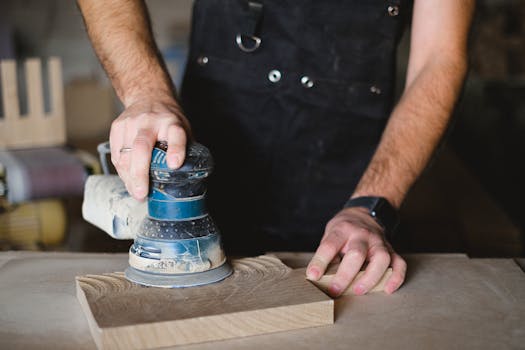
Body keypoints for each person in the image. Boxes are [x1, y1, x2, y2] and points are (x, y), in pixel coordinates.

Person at [77, 0, 474, 297]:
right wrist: (147, 92)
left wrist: (371, 207)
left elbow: (439, 58)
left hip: (348, 188)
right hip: (216, 160)